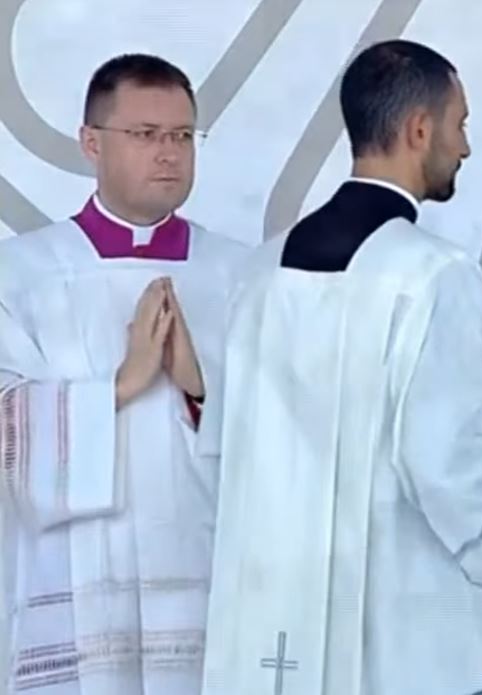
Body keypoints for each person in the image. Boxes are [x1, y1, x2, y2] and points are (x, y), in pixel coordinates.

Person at [197, 39, 482, 695]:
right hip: (401, 627)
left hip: (273, 609)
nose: (465, 146)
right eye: (459, 124)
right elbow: (444, 471)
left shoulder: (259, 272)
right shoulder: (435, 276)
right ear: (420, 130)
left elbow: (223, 448)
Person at [0, 54, 246, 694]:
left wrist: (200, 387)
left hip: (202, 569)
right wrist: (119, 387)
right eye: (144, 134)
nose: (168, 154)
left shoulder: (242, 274)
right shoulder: (19, 274)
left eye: (182, 136)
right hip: (70, 579)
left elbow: (290, 431)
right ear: (91, 143)